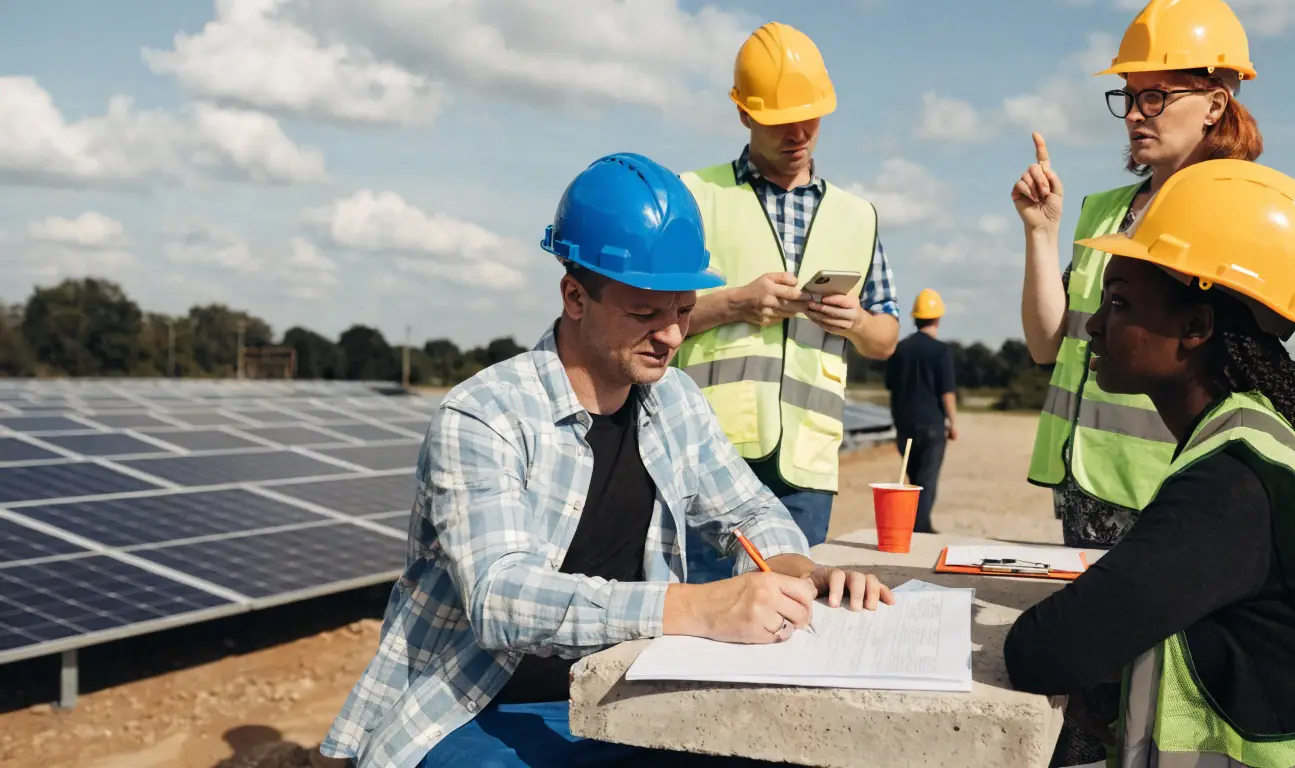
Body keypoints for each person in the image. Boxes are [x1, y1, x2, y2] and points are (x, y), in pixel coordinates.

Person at [317, 152, 894, 768]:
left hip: (626, 690)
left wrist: (798, 570)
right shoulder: (485, 415)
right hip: (478, 706)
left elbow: (748, 509)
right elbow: (500, 598)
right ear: (575, 296)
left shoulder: (675, 400)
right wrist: (698, 608)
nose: (672, 336)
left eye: (683, 310)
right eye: (645, 314)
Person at [1002, 159, 1295, 768]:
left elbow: (1042, 650)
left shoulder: (1231, 484)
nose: (1091, 324)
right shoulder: (1252, 432)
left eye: (1118, 302)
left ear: (1196, 325)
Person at [1011, 0, 1264, 761]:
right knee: (1095, 695)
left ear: (1216, 101)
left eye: (1156, 96)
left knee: (1162, 694)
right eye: (1128, 96)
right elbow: (1047, 344)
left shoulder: (1233, 210)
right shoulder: (1105, 211)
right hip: (1084, 489)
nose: (1134, 114)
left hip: (1166, 492)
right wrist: (1042, 233)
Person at [675, 21, 901, 583]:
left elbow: (885, 338)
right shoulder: (694, 196)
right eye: (780, 120)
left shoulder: (858, 216)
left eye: (811, 116)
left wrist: (856, 322)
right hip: (707, 457)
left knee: (791, 615)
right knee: (705, 612)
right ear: (744, 113)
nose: (799, 132)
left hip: (807, 469)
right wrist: (734, 304)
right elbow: (647, 322)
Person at [882, 288, 958, 534]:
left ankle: (913, 524)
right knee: (927, 480)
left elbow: (890, 385)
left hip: (904, 424)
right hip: (932, 425)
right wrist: (953, 422)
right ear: (938, 318)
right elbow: (947, 391)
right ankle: (920, 528)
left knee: (914, 479)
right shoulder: (941, 351)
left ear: (915, 318)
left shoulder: (899, 349)